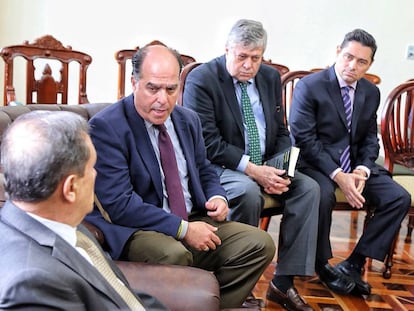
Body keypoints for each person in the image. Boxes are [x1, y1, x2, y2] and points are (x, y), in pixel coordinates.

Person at [84, 44, 276, 309]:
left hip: (192, 216)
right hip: (138, 227)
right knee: (174, 253)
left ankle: (210, 306)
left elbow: (204, 169)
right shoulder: (107, 127)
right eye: (153, 88)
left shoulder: (188, 120)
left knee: (259, 244)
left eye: (171, 89)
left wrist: (216, 195)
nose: (163, 99)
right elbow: (119, 204)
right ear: (134, 83)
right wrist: (183, 230)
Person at [183, 19, 320, 311]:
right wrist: (254, 170)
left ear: (263, 56)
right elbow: (208, 143)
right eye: (241, 56)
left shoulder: (270, 78)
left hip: (265, 163)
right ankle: (238, 281)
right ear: (227, 50)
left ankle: (283, 284)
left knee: (309, 188)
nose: (248, 65)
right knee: (246, 190)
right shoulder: (203, 79)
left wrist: (282, 167)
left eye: (255, 58)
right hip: (221, 166)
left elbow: (281, 130)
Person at [0, 110, 167, 310]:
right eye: (92, 168)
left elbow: (120, 294)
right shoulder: (31, 282)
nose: (96, 175)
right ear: (70, 188)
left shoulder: (67, 226)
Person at [289, 28, 411, 296]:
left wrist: (362, 169)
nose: (352, 66)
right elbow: (305, 140)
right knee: (321, 196)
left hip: (356, 164)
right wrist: (337, 174)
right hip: (316, 163)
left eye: (361, 62)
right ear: (337, 52)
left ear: (370, 65)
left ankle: (353, 264)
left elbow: (370, 138)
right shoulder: (311, 86)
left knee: (398, 198)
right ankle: (322, 264)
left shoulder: (370, 91)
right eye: (348, 57)